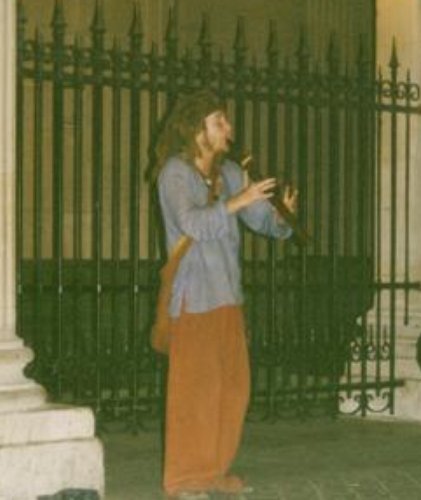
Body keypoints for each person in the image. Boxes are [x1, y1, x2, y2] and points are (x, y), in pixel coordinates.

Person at [151, 89, 297, 499]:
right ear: (196, 129)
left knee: (232, 390)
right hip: (194, 298)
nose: (228, 128)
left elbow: (263, 221)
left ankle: (213, 472)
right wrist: (236, 202)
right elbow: (191, 224)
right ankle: (184, 480)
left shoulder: (230, 172)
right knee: (194, 392)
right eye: (219, 121)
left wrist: (283, 215)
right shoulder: (174, 173)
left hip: (228, 296)